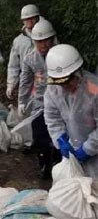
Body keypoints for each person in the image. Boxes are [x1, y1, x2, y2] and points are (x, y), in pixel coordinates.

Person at [44, 44, 98, 180]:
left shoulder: (94, 89)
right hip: (71, 153)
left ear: (78, 73)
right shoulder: (53, 90)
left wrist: (88, 148)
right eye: (60, 83)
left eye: (68, 82)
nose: (65, 87)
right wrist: (60, 138)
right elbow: (52, 117)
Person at [18, 19, 61, 179]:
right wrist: (22, 101)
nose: (43, 45)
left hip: (61, 103)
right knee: (40, 135)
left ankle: (59, 164)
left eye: (45, 41)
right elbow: (25, 81)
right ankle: (44, 165)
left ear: (52, 39)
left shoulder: (60, 54)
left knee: (59, 135)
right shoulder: (30, 58)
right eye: (39, 42)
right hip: (40, 103)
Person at [6, 4, 42, 100]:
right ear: (23, 20)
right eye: (26, 19)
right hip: (27, 80)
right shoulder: (18, 41)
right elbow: (13, 65)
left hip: (45, 77)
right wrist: (11, 84)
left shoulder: (46, 35)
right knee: (28, 108)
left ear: (37, 18)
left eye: (32, 18)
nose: (30, 21)